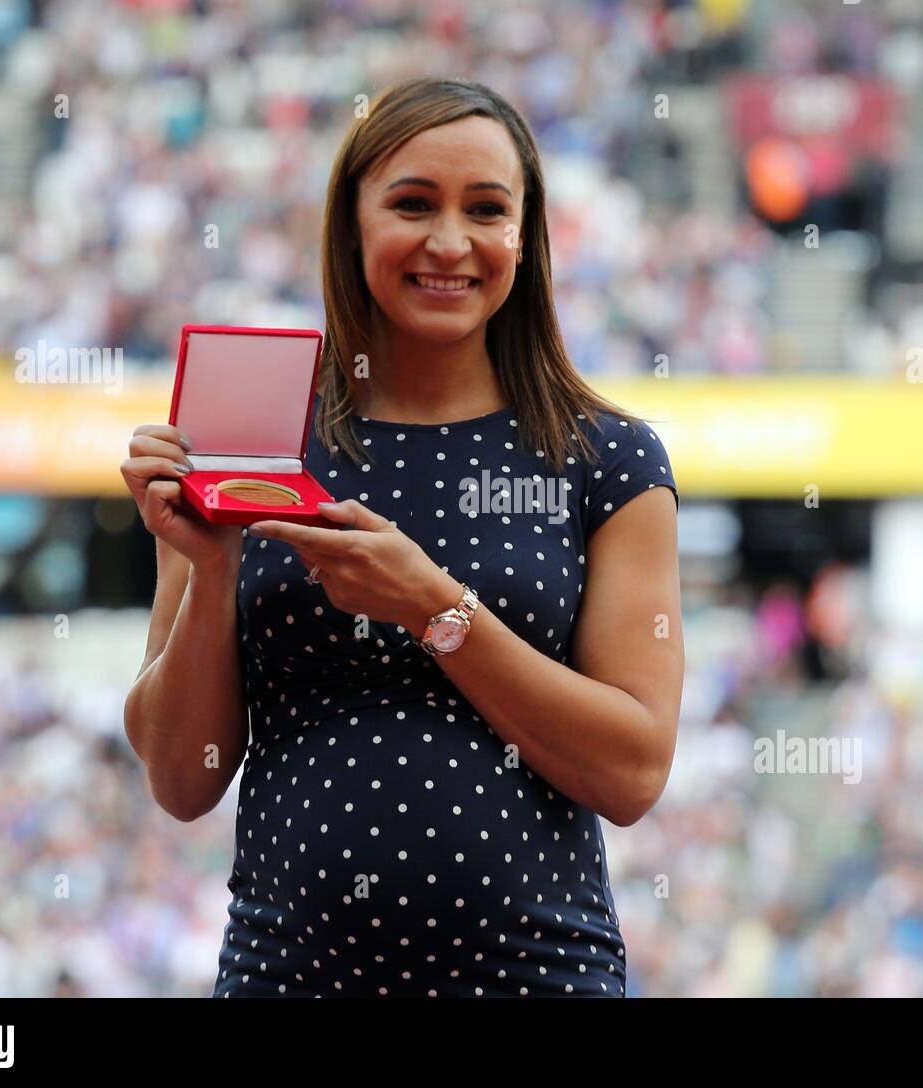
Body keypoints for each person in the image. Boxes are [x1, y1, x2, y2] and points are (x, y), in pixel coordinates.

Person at [121, 76, 683, 997]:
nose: (450, 242)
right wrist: (209, 567)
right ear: (351, 225)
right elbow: (183, 781)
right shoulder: (249, 432)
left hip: (536, 977)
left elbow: (632, 771)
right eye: (413, 204)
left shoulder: (606, 457)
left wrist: (433, 607)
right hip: (288, 977)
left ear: (524, 239)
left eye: (487, 210)